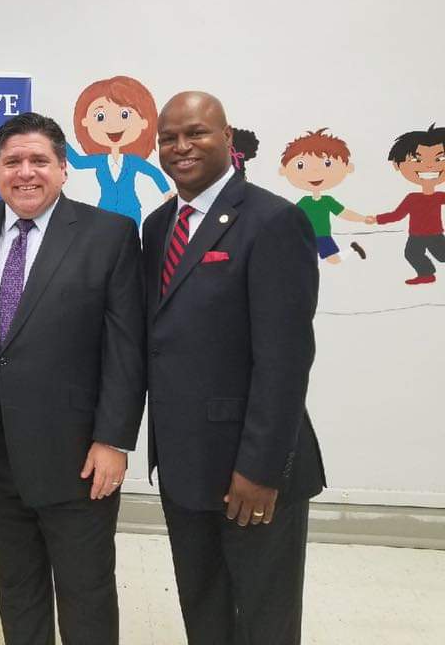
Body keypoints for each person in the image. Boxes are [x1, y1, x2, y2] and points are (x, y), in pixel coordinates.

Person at [0, 112, 146, 645]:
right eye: (12, 162)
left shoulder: (109, 234)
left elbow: (126, 349)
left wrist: (114, 439)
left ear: (64, 169)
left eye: (39, 161)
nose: (26, 173)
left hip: (76, 456)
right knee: (16, 583)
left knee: (85, 589)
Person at [144, 91, 325, 645]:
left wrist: (263, 469)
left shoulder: (274, 220)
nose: (181, 147)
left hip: (250, 471)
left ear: (227, 139)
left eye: (195, 133)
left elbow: (286, 357)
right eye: (169, 138)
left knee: (264, 617)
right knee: (204, 607)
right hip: (182, 463)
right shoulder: (158, 227)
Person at [67, 75, 172, 225]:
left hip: (131, 211)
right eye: (100, 116)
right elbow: (78, 162)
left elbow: (154, 172)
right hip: (105, 210)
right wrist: (57, 138)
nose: (113, 124)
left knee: (130, 245)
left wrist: (166, 192)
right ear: (86, 122)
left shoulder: (133, 161)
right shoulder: (100, 160)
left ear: (143, 122)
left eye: (124, 114)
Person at [279, 128, 370, 264]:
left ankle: (352, 249)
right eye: (301, 165)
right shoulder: (305, 201)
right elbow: (293, 216)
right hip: (305, 236)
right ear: (284, 170)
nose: (315, 171)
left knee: (333, 260)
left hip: (323, 236)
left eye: (327, 163)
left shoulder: (327, 201)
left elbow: (343, 213)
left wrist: (363, 219)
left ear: (348, 168)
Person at [370, 124, 445, 285]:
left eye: (439, 159)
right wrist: (377, 219)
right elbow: (397, 215)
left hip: (435, 235)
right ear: (398, 165)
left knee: (442, 255)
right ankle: (426, 274)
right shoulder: (412, 198)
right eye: (417, 159)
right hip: (416, 235)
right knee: (411, 254)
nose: (430, 166)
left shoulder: (439, 196)